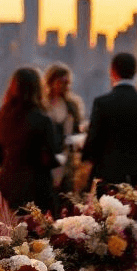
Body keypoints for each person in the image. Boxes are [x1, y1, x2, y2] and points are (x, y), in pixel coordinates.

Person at [81, 52, 137, 189]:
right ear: (136, 72)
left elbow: (92, 143)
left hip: (108, 177)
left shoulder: (102, 103)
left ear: (112, 72)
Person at [0, 66, 62, 212]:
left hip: (7, 186)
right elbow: (48, 159)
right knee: (38, 231)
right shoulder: (42, 120)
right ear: (38, 89)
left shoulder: (1, 116)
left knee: (9, 231)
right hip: (36, 189)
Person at [44, 64, 86, 196]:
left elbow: (77, 131)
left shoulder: (72, 105)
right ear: (51, 82)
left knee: (66, 197)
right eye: (62, 82)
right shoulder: (42, 105)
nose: (66, 86)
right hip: (47, 161)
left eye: (68, 83)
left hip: (67, 160)